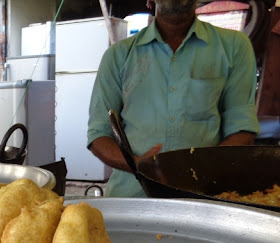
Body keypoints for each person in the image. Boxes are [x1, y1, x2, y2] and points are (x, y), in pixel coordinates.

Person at [87, 0, 260, 197]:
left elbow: (242, 129)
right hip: (131, 197)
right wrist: (138, 165)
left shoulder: (234, 47)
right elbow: (98, 136)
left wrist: (201, 171)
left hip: (203, 198)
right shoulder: (118, 55)